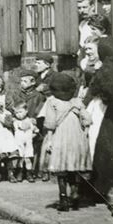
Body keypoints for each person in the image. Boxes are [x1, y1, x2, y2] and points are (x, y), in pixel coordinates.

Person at [40, 71, 91, 211]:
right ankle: (74, 195)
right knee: (73, 167)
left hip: (60, 137)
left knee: (61, 169)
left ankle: (63, 199)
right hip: (77, 137)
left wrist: (49, 140)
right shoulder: (77, 102)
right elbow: (87, 119)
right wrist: (85, 135)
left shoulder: (52, 102)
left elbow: (50, 123)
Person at [88, 37, 113, 206]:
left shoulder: (106, 69)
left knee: (105, 147)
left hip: (107, 110)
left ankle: (106, 188)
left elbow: (107, 92)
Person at [11, 102, 37, 182]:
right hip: (19, 143)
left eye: (20, 112)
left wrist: (31, 136)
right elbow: (18, 128)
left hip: (28, 144)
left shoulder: (30, 121)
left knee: (28, 159)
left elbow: (35, 131)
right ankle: (20, 173)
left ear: (26, 111)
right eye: (16, 113)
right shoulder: (15, 122)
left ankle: (29, 173)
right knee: (20, 159)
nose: (18, 114)